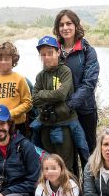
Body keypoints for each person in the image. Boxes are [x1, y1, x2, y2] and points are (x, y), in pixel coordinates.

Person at [31, 35, 89, 173]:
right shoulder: (40, 76)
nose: (47, 57)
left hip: (65, 124)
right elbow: (34, 100)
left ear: (58, 52)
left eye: (50, 53)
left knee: (66, 164)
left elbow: (62, 94)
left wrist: (42, 94)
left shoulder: (65, 71)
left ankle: (73, 192)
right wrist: (49, 95)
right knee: (47, 163)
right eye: (43, 54)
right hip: (45, 124)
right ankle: (50, 193)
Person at [54, 9, 100, 152]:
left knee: (88, 151)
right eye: (61, 25)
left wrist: (69, 105)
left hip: (85, 110)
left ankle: (91, 175)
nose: (65, 28)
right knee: (67, 153)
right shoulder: (53, 50)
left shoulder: (88, 51)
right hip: (61, 111)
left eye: (69, 23)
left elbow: (89, 83)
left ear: (76, 25)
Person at [0, 42, 33, 137]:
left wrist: (9, 113)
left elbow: (28, 103)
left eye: (7, 59)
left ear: (13, 60)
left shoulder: (20, 79)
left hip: (17, 125)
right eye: (0, 59)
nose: (3, 62)